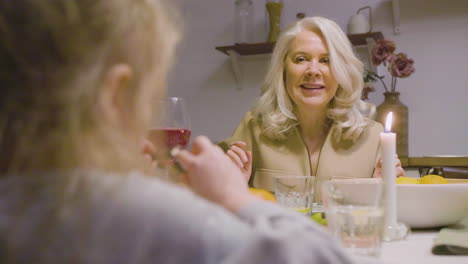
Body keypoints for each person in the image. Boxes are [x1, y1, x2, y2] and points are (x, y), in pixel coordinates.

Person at [0, 1, 371, 264]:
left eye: (326, 60)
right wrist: (233, 195)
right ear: (114, 96)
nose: (313, 70)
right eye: (148, 94)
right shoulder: (142, 215)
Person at [220, 16, 405, 200]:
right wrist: (233, 186)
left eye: (326, 60)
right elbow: (212, 205)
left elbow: (389, 217)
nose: (313, 71)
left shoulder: (373, 137)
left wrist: (382, 190)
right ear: (283, 70)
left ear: (342, 71)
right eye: (301, 59)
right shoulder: (252, 128)